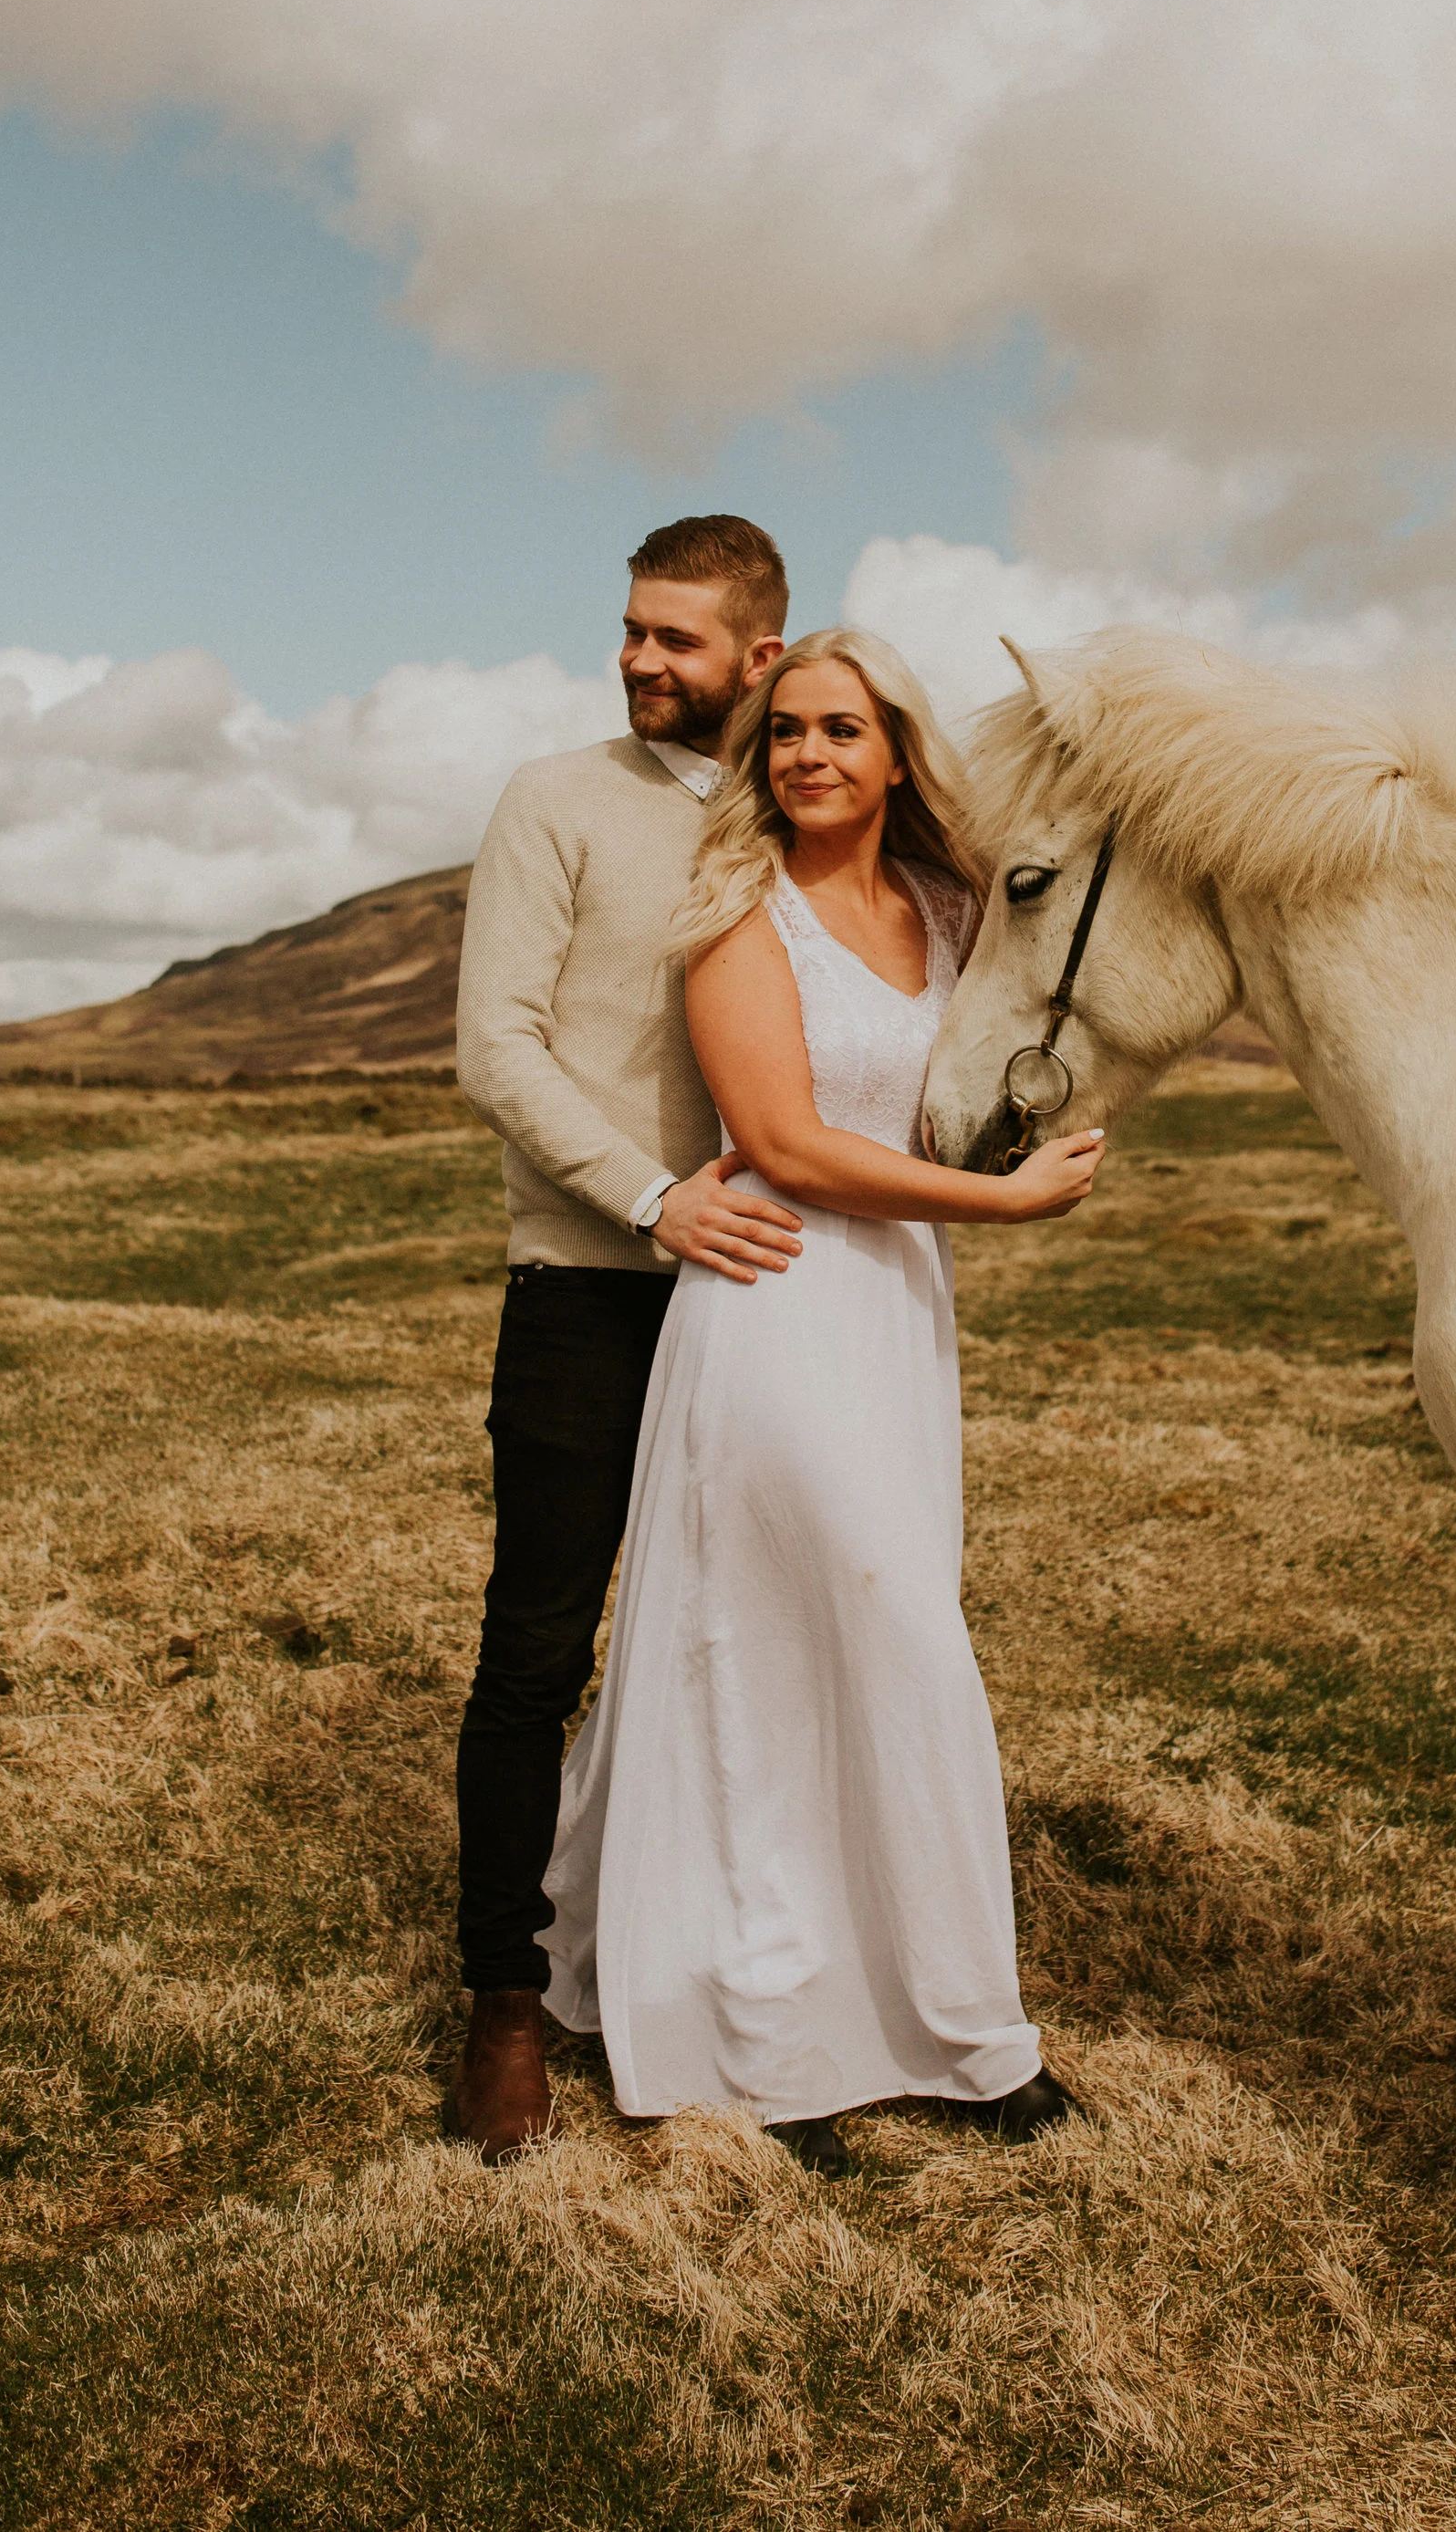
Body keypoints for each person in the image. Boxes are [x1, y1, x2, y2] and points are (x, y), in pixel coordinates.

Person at [540, 630, 1106, 2176]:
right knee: (842, 1647)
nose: (807, 755)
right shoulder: (736, 910)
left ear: (899, 751)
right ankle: (796, 2038)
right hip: (779, 1304)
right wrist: (1001, 1211)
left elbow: (1045, 991)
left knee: (868, 1642)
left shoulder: (946, 907)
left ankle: (933, 2020)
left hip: (897, 1324)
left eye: (843, 730)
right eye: (785, 730)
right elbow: (784, 1140)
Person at [452, 515, 806, 2161]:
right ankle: (505, 2000)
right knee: (540, 1649)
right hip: (592, 1289)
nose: (637, 659)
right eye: (631, 630)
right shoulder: (556, 800)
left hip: (766, 1301)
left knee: (745, 1648)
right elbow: (498, 1049)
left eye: (676, 639)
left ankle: (726, 1971)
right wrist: (652, 1196)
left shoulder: (805, 807)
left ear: (762, 654)